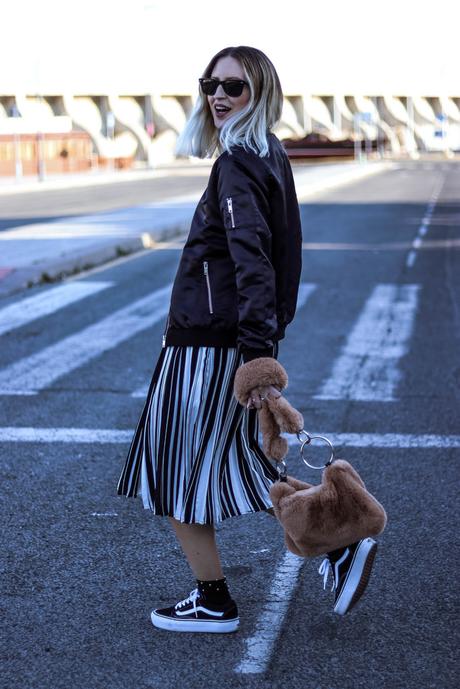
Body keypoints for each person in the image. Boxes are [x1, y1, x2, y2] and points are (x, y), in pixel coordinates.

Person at [117, 46, 376, 634]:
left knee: (174, 471)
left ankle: (214, 599)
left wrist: (258, 358)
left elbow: (253, 261)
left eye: (234, 86)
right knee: (234, 464)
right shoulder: (266, 155)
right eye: (211, 83)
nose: (218, 95)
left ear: (260, 92)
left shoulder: (238, 161)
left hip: (207, 346)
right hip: (225, 341)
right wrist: (262, 344)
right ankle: (339, 537)